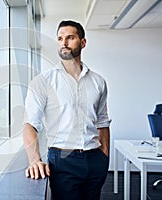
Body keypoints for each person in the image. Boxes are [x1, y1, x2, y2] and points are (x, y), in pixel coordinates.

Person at [23, 20, 111, 200]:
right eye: (60, 38)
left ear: (83, 42)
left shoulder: (98, 81)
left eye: (70, 37)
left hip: (95, 159)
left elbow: (102, 121)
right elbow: (30, 125)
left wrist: (104, 157)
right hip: (63, 161)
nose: (64, 43)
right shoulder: (42, 82)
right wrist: (34, 160)